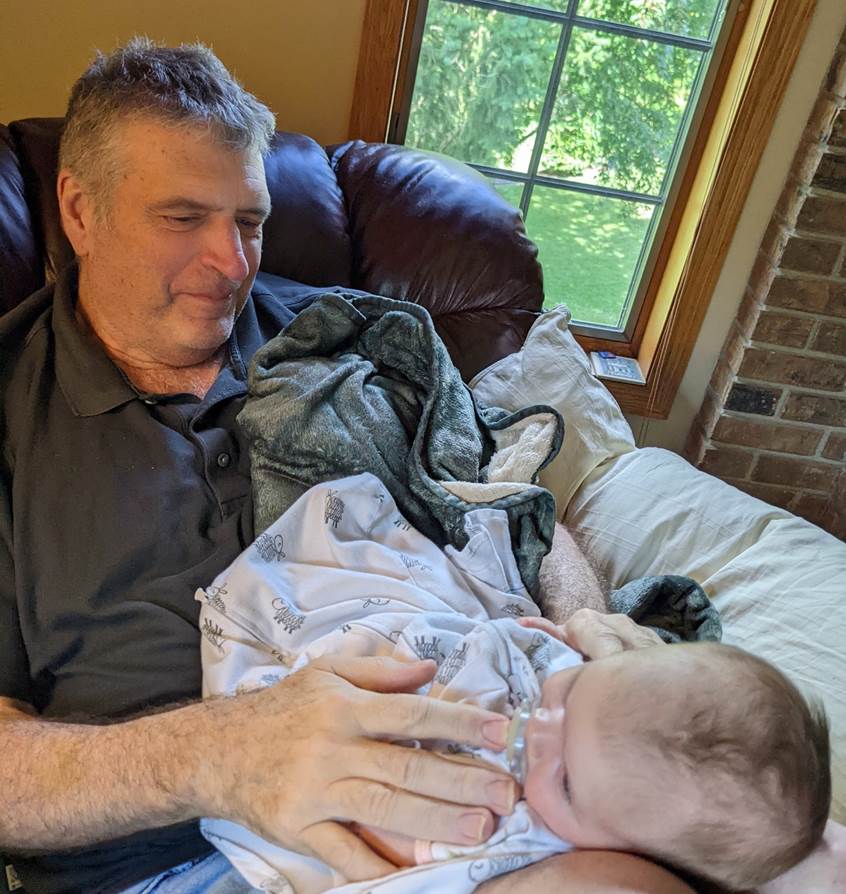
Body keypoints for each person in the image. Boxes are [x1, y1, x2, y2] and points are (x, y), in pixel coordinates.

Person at [0, 37, 840, 894]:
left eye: (249, 222)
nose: (232, 263)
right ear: (79, 210)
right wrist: (223, 754)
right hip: (189, 858)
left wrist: (592, 633)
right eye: (183, 218)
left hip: (497, 761)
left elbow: (504, 505)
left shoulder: (357, 339)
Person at [195, 472, 830, 894]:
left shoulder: (517, 831)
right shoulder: (605, 726)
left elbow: (396, 840)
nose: (537, 730)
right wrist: (550, 643)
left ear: (624, 849)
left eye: (566, 781)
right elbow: (543, 645)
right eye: (571, 696)